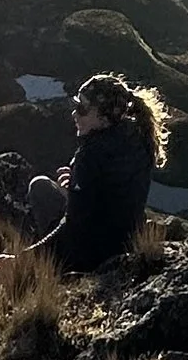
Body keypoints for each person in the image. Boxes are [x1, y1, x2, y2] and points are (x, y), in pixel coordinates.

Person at [24, 74, 167, 270]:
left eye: (82, 109)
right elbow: (110, 197)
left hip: (92, 254)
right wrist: (76, 189)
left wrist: (24, 258)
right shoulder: (139, 139)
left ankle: (53, 272)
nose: (75, 114)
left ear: (104, 117)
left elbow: (73, 227)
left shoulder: (91, 154)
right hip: (127, 241)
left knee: (40, 188)